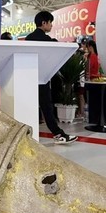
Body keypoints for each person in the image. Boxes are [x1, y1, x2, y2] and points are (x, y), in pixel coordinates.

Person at [25, 11, 77, 144]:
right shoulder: (48, 40)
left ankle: (27, 136)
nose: (51, 25)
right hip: (43, 77)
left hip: (29, 77)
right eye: (50, 22)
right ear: (44, 23)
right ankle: (58, 134)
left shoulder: (28, 38)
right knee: (47, 107)